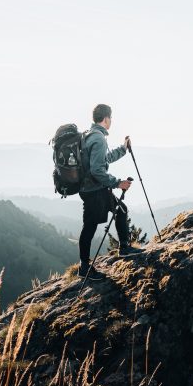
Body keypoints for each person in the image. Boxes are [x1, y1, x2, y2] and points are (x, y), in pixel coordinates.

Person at [78, 103, 143, 278]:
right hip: (95, 190)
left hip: (90, 188)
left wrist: (123, 149)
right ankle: (85, 268)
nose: (111, 121)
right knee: (90, 227)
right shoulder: (98, 138)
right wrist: (117, 183)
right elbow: (97, 170)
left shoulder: (89, 135)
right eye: (111, 118)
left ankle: (123, 248)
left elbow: (103, 160)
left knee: (120, 210)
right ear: (106, 118)